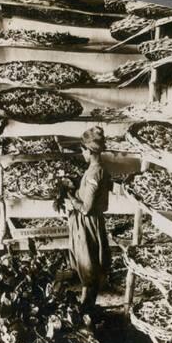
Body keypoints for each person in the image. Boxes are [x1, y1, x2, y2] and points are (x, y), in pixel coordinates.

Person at [65, 126, 113, 307]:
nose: (83, 154)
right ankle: (87, 306)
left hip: (87, 224)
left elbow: (86, 208)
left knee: (88, 266)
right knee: (89, 265)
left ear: (88, 151)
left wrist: (69, 197)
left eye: (83, 151)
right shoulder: (98, 169)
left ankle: (86, 308)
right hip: (91, 222)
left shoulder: (94, 172)